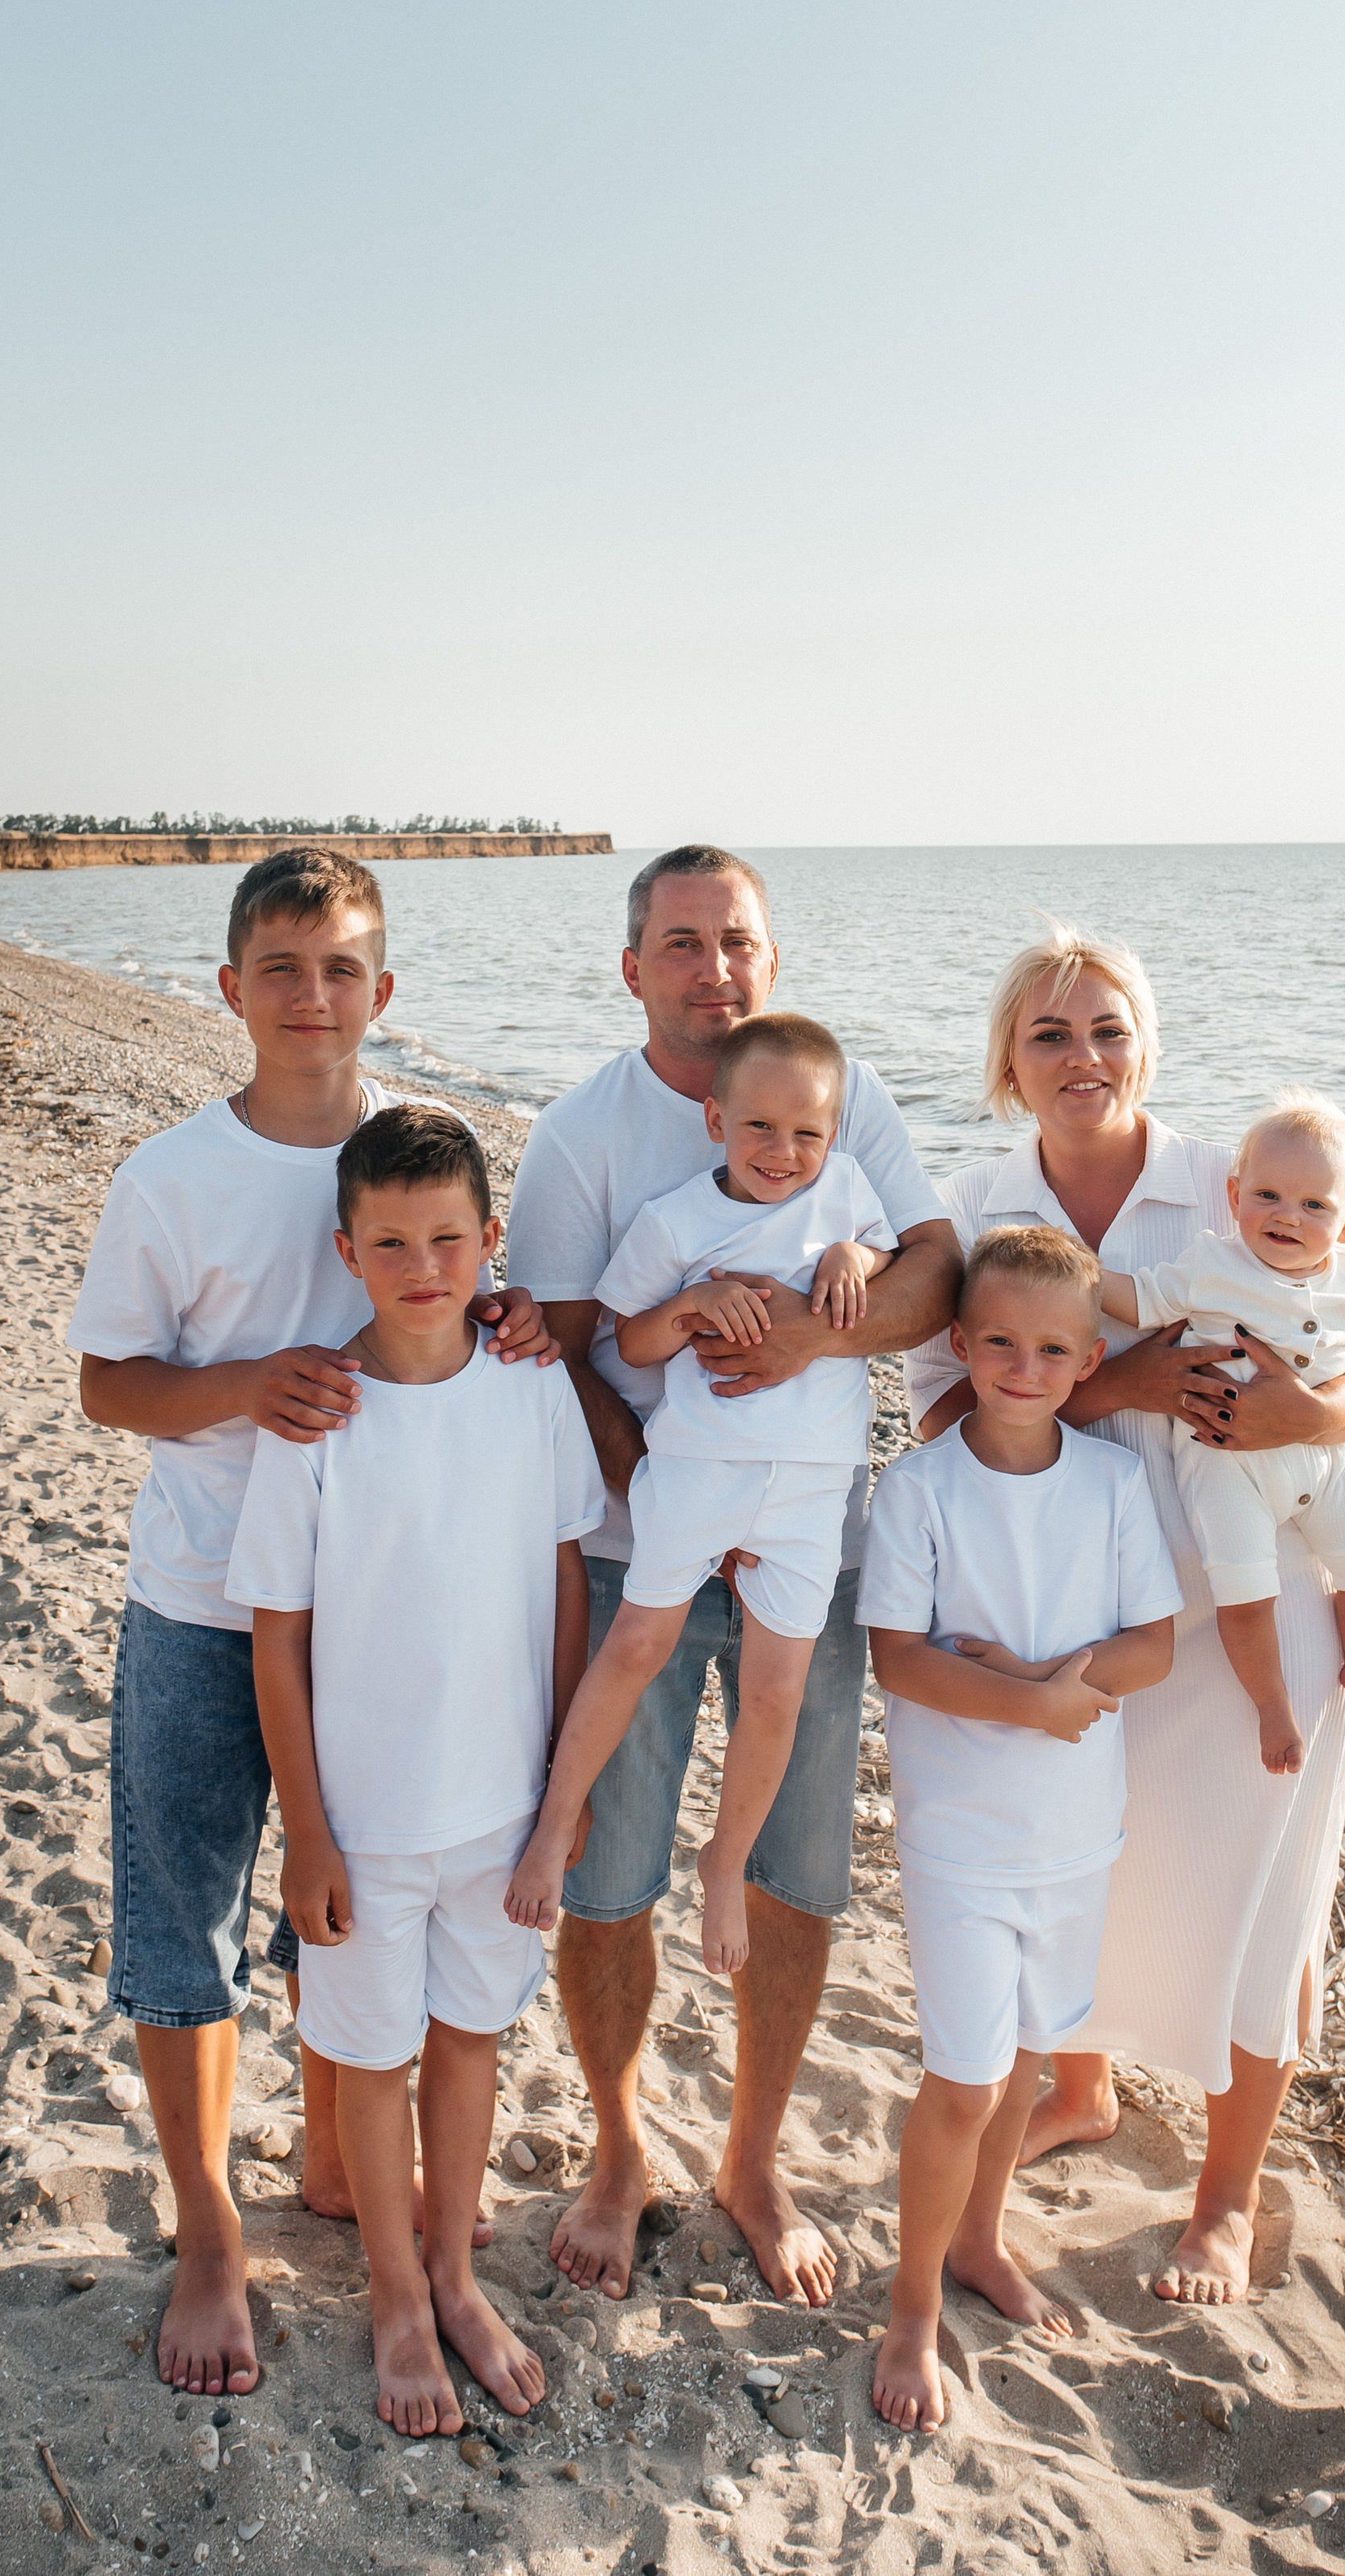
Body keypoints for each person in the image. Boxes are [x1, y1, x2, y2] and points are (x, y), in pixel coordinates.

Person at [67, 848, 554, 2396]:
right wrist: (244, 1385)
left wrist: (526, 1316)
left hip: (396, 1613)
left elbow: (470, 1310)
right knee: (188, 1917)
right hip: (211, 1597)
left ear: (385, 992)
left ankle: (338, 2167)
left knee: (338, 1907)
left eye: (342, 967)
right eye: (281, 967)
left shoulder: (428, 1161)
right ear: (230, 989)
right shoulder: (172, 1176)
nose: (312, 996)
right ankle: (211, 2229)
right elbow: (106, 1381)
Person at [903, 924, 1345, 2306]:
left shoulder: (1230, 1177)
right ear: (1010, 1057)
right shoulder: (975, 1202)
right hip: (1076, 1608)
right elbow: (943, 1408)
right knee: (1084, 1869)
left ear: (1149, 1044)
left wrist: (1321, 1410)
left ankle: (1227, 2202)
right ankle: (1083, 2088)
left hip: (1261, 1593)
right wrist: (1113, 1389)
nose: (1084, 1057)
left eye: (1108, 1029)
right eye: (1052, 1033)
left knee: (1261, 1892)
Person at [505, 844, 961, 2305]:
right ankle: (619, 2148)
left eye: (739, 941)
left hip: (807, 1538)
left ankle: (753, 2157)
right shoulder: (583, 1138)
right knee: (610, 1876)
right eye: (684, 942)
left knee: (799, 1871)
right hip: (645, 1535)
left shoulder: (843, 1092)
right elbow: (566, 1345)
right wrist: (663, 1490)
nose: (715, 967)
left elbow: (939, 1269)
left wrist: (817, 1336)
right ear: (633, 966)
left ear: (772, 958)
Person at [227, 1103, 603, 2436]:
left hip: (503, 1805)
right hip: (369, 1819)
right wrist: (310, 1837)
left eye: (449, 1239)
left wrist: (563, 1788)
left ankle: (451, 2268)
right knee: (370, 2054)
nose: (424, 1266)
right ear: (348, 1250)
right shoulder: (316, 1414)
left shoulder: (530, 1384)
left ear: (490, 1245)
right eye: (392, 1242)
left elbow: (566, 1581)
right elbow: (279, 1644)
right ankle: (394, 2295)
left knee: (472, 2038)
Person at [859, 1224, 1179, 2434]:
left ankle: (981, 2238)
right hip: (961, 1838)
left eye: (1052, 1347)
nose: (1024, 1364)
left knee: (1035, 2052)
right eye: (998, 1341)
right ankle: (907, 2305)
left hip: (1078, 1831)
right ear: (960, 1344)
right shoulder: (922, 1485)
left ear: (1089, 1358)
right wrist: (1029, 1702)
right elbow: (901, 1657)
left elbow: (1154, 1642)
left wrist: (1058, 1678)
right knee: (964, 2075)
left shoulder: (1109, 1481)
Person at [506, 1014, 899, 1976]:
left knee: (776, 1691)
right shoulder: (676, 1221)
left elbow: (887, 1254)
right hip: (694, 1474)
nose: (784, 1152)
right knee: (636, 1645)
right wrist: (684, 1310)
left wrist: (855, 1258)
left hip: (810, 1493)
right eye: (760, 1128)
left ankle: (725, 1863)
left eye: (808, 1133)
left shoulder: (844, 1191)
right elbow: (620, 1342)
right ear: (716, 1119)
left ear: (834, 1133)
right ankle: (558, 1820)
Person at [1093, 1086, 1345, 1775]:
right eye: (1268, 1196)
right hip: (1224, 1462)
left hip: (1323, 1459)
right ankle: (1271, 1704)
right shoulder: (1211, 1264)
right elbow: (1141, 1299)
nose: (1288, 1216)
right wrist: (1079, 1274)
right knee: (1244, 1591)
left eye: (1315, 1205)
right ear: (1234, 1195)